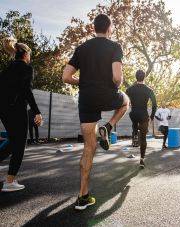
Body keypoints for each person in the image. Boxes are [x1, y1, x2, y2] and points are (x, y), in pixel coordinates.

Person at [62, 14, 129, 210]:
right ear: (109, 28)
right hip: (107, 95)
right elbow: (117, 77)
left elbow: (66, 77)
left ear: (94, 29)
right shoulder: (114, 47)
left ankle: (83, 196)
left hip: (86, 99)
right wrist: (119, 83)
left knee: (88, 148)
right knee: (126, 101)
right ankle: (108, 127)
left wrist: (82, 82)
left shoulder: (82, 48)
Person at [0, 37, 42, 192]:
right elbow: (26, 91)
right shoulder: (26, 68)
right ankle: (9, 181)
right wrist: (37, 111)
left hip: (3, 110)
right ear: (25, 54)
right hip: (17, 109)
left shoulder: (8, 67)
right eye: (29, 54)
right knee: (20, 144)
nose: (30, 58)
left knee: (12, 142)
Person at [126, 70, 157, 169]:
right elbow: (154, 105)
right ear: (144, 77)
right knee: (143, 137)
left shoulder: (129, 89)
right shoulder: (149, 90)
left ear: (136, 77)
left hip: (133, 114)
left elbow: (125, 101)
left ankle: (135, 133)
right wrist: (151, 117)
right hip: (143, 115)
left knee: (134, 121)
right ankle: (142, 160)